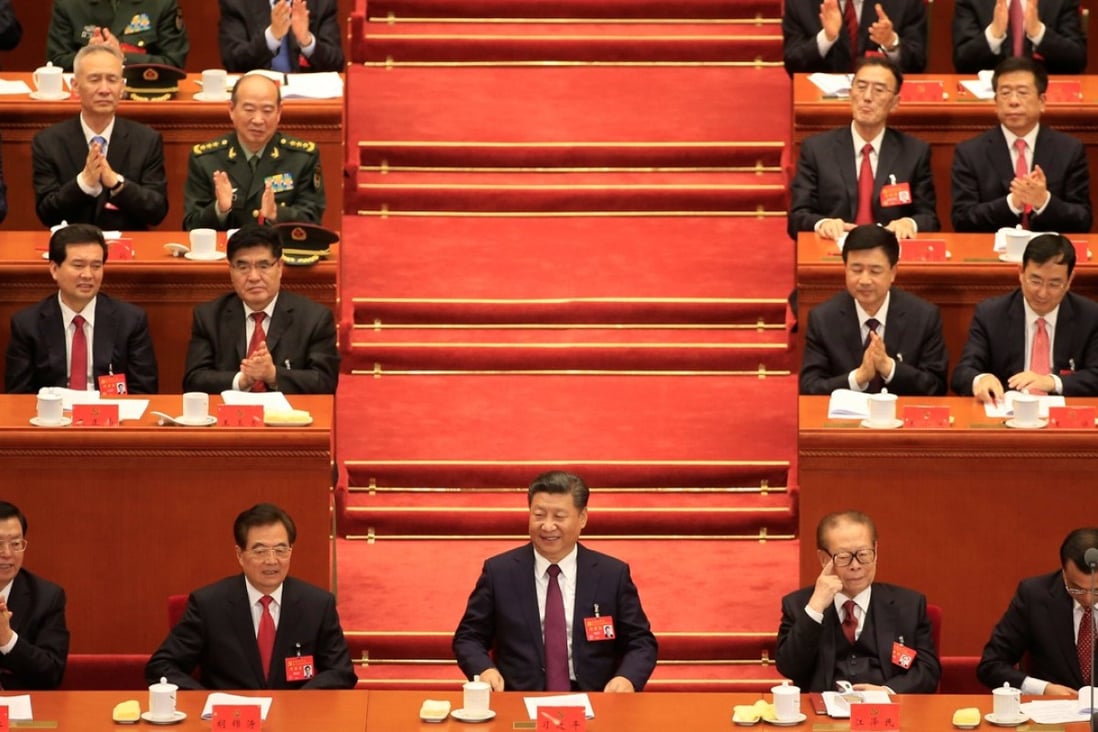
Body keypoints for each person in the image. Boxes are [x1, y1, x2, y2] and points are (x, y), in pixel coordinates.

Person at [453, 471, 658, 693]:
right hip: (519, 698)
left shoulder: (611, 574)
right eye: (539, 515)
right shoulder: (499, 572)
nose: (548, 526)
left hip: (595, 699)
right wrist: (485, 670)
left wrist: (626, 678)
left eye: (559, 517)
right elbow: (468, 637)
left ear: (582, 518)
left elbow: (641, 642)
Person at [146, 503, 357, 689]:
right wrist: (208, 701)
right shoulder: (209, 605)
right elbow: (162, 666)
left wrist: (299, 702)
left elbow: (341, 672)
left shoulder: (318, 605)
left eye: (281, 549)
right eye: (260, 551)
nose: (272, 560)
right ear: (240, 554)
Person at [776, 510, 940, 693]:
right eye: (844, 557)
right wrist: (816, 608)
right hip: (821, 714)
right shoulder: (800, 606)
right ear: (824, 559)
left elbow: (928, 671)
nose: (856, 566)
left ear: (876, 552)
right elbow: (789, 667)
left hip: (888, 710)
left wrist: (888, 691)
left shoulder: (909, 605)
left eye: (863, 554)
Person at [788, 57, 938, 241]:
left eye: (879, 90)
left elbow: (929, 219)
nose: (867, 97)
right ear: (850, 93)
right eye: (861, 87)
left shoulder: (915, 152)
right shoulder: (817, 149)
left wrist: (909, 223)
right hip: (836, 252)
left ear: (895, 103)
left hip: (890, 253)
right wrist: (823, 224)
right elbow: (797, 218)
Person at [182, 224, 339, 394]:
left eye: (263, 266)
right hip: (230, 416)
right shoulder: (208, 317)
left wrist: (273, 375)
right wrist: (241, 380)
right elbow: (193, 381)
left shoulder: (314, 318)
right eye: (243, 267)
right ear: (231, 271)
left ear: (279, 267)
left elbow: (325, 382)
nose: (254, 277)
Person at [5, 224, 158, 394]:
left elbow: (144, 390)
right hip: (53, 416)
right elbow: (19, 395)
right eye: (78, 265)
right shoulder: (27, 324)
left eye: (96, 266)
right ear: (54, 269)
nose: (88, 275)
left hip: (110, 415)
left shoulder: (130, 320)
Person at [32, 45, 169, 232]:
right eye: (94, 79)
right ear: (75, 86)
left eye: (112, 80)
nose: (104, 89)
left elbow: (157, 211)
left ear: (122, 86)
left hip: (129, 250)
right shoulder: (48, 142)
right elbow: (46, 213)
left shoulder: (146, 140)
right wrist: (84, 183)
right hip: (72, 249)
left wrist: (117, 184)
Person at [800, 225, 948, 395]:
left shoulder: (924, 316)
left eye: (875, 271)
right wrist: (858, 377)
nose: (864, 280)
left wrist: (889, 367)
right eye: (856, 269)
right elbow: (810, 387)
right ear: (845, 268)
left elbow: (937, 386)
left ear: (893, 272)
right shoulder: (823, 319)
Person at [951, 57, 1091, 233]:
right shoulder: (970, 152)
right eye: (1005, 93)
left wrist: (1044, 201)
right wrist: (1012, 203)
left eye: (1023, 92)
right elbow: (962, 220)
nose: (1013, 101)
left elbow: (1083, 219)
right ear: (995, 102)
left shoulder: (1069, 150)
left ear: (1042, 102)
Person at [952, 234, 1098, 400]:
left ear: (1070, 280)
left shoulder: (1090, 316)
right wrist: (980, 380)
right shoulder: (991, 314)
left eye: (1054, 284)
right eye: (1035, 281)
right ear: (1021, 273)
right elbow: (963, 373)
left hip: (1065, 419)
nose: (1043, 293)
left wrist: (1052, 382)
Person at [182, 73, 325, 231]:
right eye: (249, 109)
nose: (258, 120)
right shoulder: (205, 159)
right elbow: (190, 225)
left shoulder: (302, 157)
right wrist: (219, 209)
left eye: (267, 110)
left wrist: (277, 213)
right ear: (231, 110)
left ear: (279, 113)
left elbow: (313, 219)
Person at [977, 527, 1098, 694]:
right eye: (1076, 588)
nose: (1087, 598)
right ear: (1063, 572)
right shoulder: (1034, 596)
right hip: (1051, 713)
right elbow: (991, 666)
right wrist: (1043, 689)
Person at [0, 502, 68, 690]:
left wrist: (7, 640)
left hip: (21, 709)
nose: (7, 553)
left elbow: (52, 673)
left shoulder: (47, 597)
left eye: (15, 544)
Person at [783, 0, 927, 74]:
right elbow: (793, 64)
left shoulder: (906, 2)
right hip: (822, 104)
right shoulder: (801, 3)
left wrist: (891, 43)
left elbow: (918, 62)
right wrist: (826, 38)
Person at [46, 0, 188, 72]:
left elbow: (174, 63)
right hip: (85, 99)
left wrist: (121, 56)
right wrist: (91, 55)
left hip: (141, 97)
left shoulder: (161, 3)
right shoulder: (69, 4)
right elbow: (55, 62)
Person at [952, 0, 1085, 75]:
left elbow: (1077, 59)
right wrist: (993, 34)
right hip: (990, 97)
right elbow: (962, 61)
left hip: (1045, 97)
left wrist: (1039, 33)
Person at [219, 0, 344, 73]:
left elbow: (336, 63)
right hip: (258, 97)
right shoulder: (237, 3)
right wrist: (271, 37)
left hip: (307, 100)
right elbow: (233, 61)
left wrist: (307, 41)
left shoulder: (321, 3)